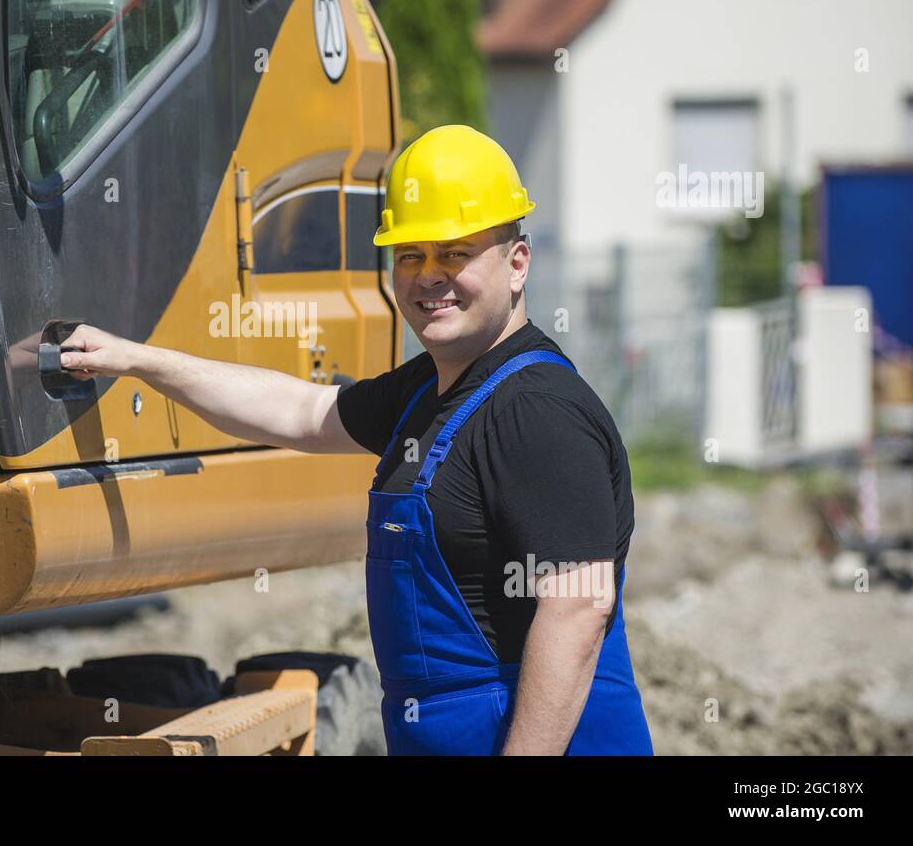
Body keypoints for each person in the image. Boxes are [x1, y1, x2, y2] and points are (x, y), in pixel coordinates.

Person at [58, 124, 653, 755]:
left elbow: (578, 609)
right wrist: (140, 360)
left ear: (517, 263)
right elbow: (301, 411)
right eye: (410, 256)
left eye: (455, 253)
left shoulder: (536, 410)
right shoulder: (431, 393)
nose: (429, 276)